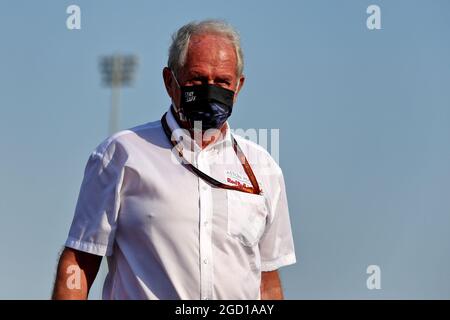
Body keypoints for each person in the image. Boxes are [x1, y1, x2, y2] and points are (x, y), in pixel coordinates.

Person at [52, 19, 296, 300]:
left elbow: (266, 281)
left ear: (238, 86)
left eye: (222, 82)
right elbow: (80, 262)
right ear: (170, 82)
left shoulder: (263, 168)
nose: (210, 89)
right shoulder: (121, 154)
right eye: (197, 79)